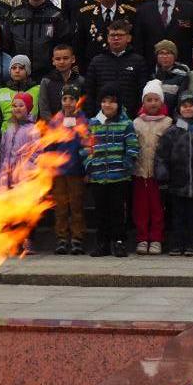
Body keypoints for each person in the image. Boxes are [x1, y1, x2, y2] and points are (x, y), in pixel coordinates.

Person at [84, 83, 139, 257]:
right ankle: (102, 243)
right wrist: (89, 165)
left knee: (117, 212)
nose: (107, 105)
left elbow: (132, 146)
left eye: (112, 102)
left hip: (119, 177)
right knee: (101, 212)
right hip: (98, 176)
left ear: (119, 104)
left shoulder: (126, 123)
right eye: (104, 101)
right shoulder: (93, 123)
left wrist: (127, 163)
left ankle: (120, 242)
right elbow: (85, 148)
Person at [154, 91, 193, 256]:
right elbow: (162, 156)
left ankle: (192, 244)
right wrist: (163, 176)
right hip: (177, 182)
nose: (188, 109)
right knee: (176, 215)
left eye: (191, 106)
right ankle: (176, 244)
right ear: (179, 108)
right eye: (184, 106)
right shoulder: (172, 131)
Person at [6, 0, 70, 84]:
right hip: (19, 76)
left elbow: (64, 45)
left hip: (49, 77)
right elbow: (7, 44)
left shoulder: (56, 15)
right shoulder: (14, 15)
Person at [132, 80, 173, 255]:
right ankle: (142, 238)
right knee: (141, 208)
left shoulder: (168, 122)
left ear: (162, 101)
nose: (153, 103)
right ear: (143, 102)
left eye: (156, 99)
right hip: (140, 173)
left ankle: (156, 238)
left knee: (157, 208)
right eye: (149, 100)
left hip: (158, 174)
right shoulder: (136, 123)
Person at [47, 83, 89, 255]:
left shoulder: (83, 120)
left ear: (78, 101)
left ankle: (77, 238)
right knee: (61, 207)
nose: (68, 103)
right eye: (65, 99)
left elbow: (87, 145)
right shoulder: (55, 121)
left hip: (76, 171)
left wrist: (87, 169)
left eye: (72, 99)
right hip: (59, 172)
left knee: (77, 206)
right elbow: (49, 145)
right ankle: (62, 238)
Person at [82, 18, 149, 119]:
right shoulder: (97, 61)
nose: (116, 38)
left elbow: (142, 92)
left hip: (130, 118)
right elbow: (89, 92)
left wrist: (137, 116)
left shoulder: (138, 61)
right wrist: (91, 116)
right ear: (108, 38)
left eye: (120, 35)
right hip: (101, 118)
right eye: (113, 35)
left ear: (129, 38)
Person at [74, 0, 137, 71]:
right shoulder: (84, 14)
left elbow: (136, 44)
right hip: (93, 71)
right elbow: (79, 46)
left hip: (124, 69)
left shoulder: (131, 14)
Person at [133, 0, 193, 68]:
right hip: (152, 68)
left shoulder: (190, 8)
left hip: (183, 66)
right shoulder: (144, 10)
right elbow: (139, 42)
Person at [0, 92, 38, 189]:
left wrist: (26, 167)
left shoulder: (33, 129)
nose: (17, 108)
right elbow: (4, 147)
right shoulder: (10, 127)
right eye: (14, 106)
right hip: (6, 171)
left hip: (23, 173)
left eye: (21, 106)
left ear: (28, 108)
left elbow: (37, 152)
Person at [38, 45, 83, 122]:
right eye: (58, 59)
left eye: (65, 58)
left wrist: (75, 123)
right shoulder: (46, 81)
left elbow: (84, 106)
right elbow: (44, 109)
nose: (62, 62)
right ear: (53, 61)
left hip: (76, 126)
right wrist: (55, 124)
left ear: (73, 59)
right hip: (53, 128)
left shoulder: (80, 81)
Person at [0, 54, 40, 132]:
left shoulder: (37, 90)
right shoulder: (1, 92)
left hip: (30, 136)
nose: (17, 71)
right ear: (10, 71)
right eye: (13, 68)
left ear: (27, 71)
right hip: (7, 136)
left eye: (21, 68)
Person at [153, 40, 190, 113]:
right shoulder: (152, 75)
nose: (165, 56)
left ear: (174, 56)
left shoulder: (182, 76)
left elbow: (182, 102)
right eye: (161, 53)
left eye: (168, 53)